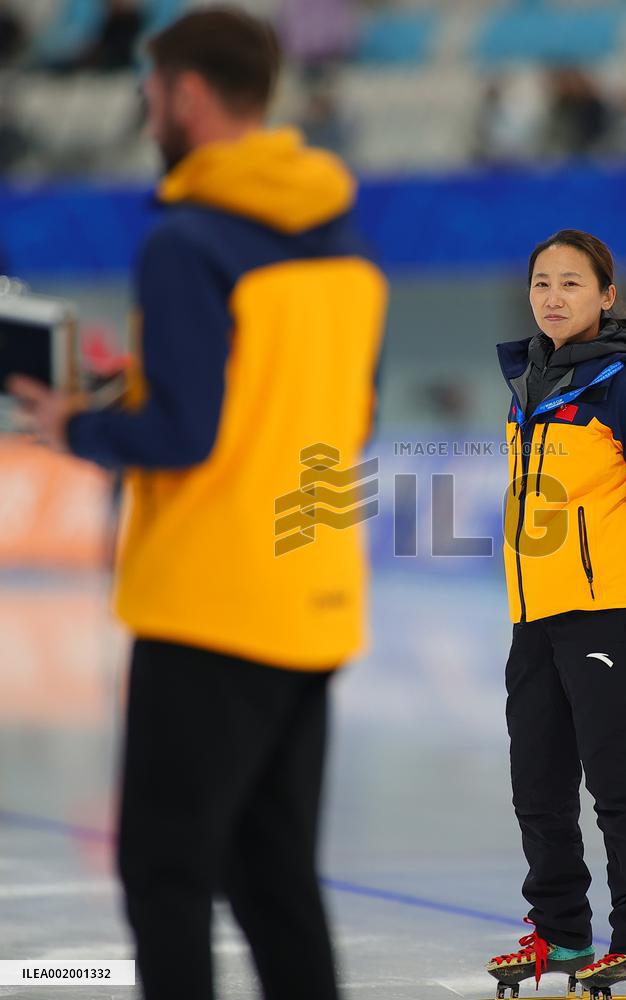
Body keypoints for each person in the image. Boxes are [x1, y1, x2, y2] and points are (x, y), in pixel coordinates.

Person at [8, 8, 387, 1000]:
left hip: (210, 601)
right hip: (313, 594)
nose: (147, 110)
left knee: (167, 872)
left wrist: (77, 426)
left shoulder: (187, 244)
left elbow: (185, 434)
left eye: (152, 91)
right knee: (276, 878)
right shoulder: (345, 240)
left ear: (184, 93)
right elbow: (340, 408)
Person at [486, 230, 626, 998]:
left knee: (618, 784)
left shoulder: (625, 381)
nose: (552, 296)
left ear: (606, 297)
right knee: (537, 785)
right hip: (534, 616)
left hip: (609, 612)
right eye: (542, 282)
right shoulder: (529, 385)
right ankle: (562, 936)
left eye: (571, 283)